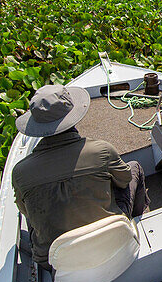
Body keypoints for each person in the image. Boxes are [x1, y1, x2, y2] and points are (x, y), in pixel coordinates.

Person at [12, 84, 149, 268]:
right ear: (72, 116)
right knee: (134, 168)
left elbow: (25, 211)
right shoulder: (101, 149)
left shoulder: (20, 172)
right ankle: (135, 223)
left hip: (55, 262)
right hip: (111, 242)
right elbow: (124, 180)